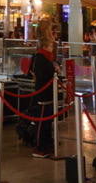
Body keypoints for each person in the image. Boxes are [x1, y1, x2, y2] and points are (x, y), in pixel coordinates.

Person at [18, 16, 58, 159]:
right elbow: (42, 75)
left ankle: (46, 144)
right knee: (43, 120)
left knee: (47, 120)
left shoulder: (46, 57)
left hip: (47, 92)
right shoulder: (42, 58)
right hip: (43, 93)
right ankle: (40, 146)